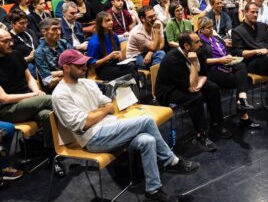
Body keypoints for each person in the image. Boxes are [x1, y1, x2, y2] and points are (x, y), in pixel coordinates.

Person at [52, 49, 199, 202]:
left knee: (147, 140)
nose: (84, 68)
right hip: (93, 139)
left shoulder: (87, 83)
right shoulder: (60, 94)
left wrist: (95, 113)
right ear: (66, 67)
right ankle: (171, 161)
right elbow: (84, 124)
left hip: (110, 127)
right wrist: (101, 112)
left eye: (84, 64)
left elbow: (109, 105)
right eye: (79, 66)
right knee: (146, 121)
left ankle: (153, 190)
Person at [0, 29, 64, 177]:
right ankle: (84, 123)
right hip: (7, 110)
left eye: (11, 39)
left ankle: (52, 157)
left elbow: (29, 78)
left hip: (29, 103)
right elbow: (4, 98)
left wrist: (37, 91)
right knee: (51, 99)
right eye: (5, 41)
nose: (11, 43)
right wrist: (34, 95)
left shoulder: (15, 54)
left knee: (47, 115)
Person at [156, 32, 232, 152]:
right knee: (196, 98)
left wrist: (200, 84)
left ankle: (217, 124)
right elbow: (190, 86)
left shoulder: (198, 52)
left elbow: (204, 75)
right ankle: (200, 135)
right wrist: (193, 63)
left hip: (191, 82)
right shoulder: (172, 59)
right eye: (197, 42)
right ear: (186, 46)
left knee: (213, 88)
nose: (201, 44)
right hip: (168, 90)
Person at [197, 17, 260, 128]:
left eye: (212, 27)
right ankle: (243, 109)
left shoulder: (215, 38)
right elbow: (202, 61)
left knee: (242, 65)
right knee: (241, 81)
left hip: (226, 64)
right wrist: (220, 60)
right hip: (213, 69)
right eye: (208, 28)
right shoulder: (199, 41)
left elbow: (226, 50)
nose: (212, 29)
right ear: (201, 29)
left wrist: (229, 55)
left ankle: (242, 100)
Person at [87, 12, 137, 81]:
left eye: (111, 20)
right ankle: (133, 89)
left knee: (132, 66)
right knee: (128, 73)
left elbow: (118, 52)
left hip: (114, 63)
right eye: (107, 20)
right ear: (100, 23)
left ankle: (135, 90)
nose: (111, 22)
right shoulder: (94, 42)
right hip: (102, 69)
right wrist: (108, 57)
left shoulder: (114, 35)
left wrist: (119, 55)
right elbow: (93, 65)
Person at [35, 18, 71, 90]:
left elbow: (77, 65)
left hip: (71, 81)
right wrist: (69, 73)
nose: (59, 32)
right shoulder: (39, 52)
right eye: (54, 29)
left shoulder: (64, 42)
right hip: (58, 88)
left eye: (59, 29)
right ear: (44, 31)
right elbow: (48, 82)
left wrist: (55, 74)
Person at [8, 10, 39, 77]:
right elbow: (10, 60)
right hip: (25, 66)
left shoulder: (30, 32)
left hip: (39, 60)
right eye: (21, 23)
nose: (25, 25)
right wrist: (27, 58)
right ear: (12, 23)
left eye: (26, 22)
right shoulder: (9, 39)